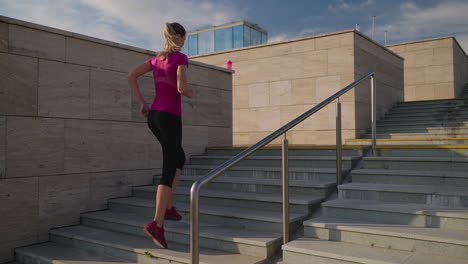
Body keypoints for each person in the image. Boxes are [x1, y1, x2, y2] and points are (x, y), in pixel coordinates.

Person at [127, 22, 194, 249]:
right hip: (169, 118)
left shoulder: (156, 59)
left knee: (178, 159)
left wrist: (143, 104)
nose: (185, 42)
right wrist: (191, 93)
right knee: (169, 167)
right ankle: (157, 224)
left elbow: (131, 76)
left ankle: (167, 207)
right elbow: (181, 88)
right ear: (180, 37)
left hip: (154, 116)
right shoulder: (181, 58)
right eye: (185, 38)